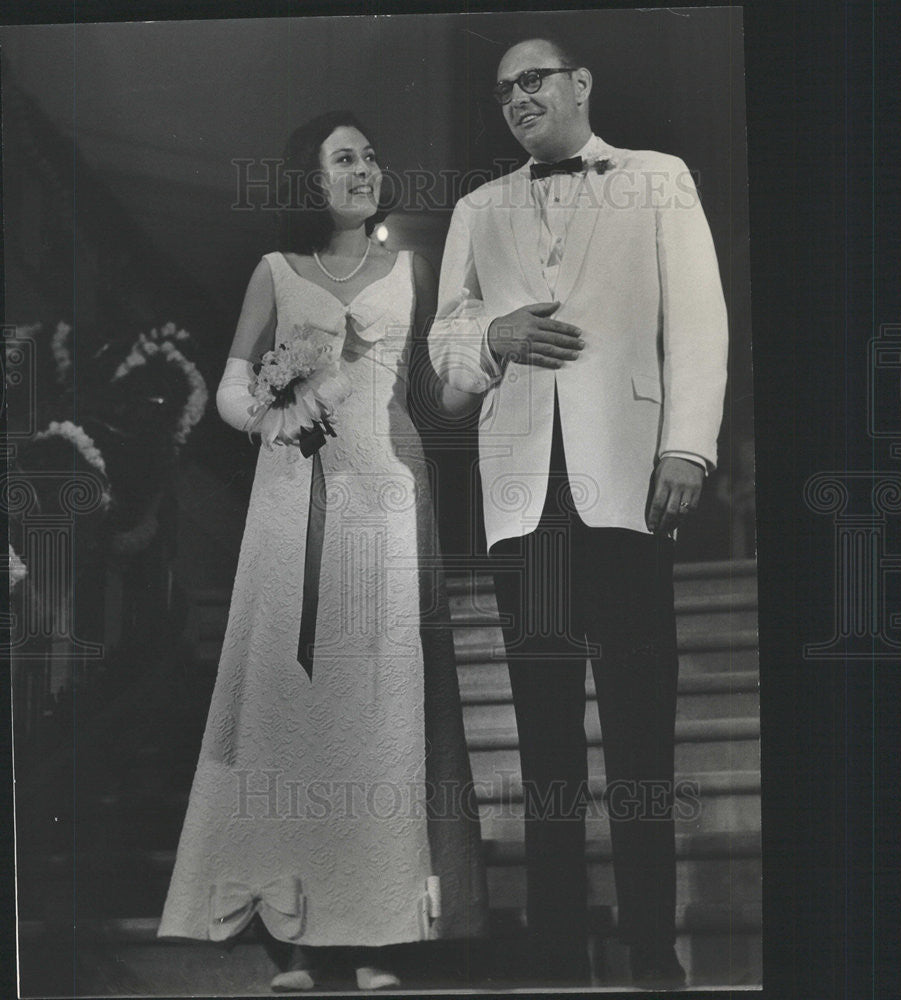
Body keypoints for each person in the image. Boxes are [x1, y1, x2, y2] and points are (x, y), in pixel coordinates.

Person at [158, 111, 487, 992]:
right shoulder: (278, 272)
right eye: (347, 158)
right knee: (295, 708)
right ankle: (298, 937)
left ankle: (380, 928)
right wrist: (269, 407)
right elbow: (231, 381)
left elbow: (440, 396)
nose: (366, 168)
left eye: (374, 157)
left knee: (379, 710)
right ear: (310, 178)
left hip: (384, 486)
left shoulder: (409, 271)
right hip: (292, 492)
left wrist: (483, 359)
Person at [428, 37, 728, 988]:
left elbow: (699, 320)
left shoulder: (658, 179)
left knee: (642, 729)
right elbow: (445, 360)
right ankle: (558, 948)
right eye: (503, 87)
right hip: (524, 501)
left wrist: (686, 445)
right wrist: (491, 333)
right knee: (544, 734)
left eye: (535, 80)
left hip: (630, 487)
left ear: (580, 84)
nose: (518, 97)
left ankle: (651, 949)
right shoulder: (479, 209)